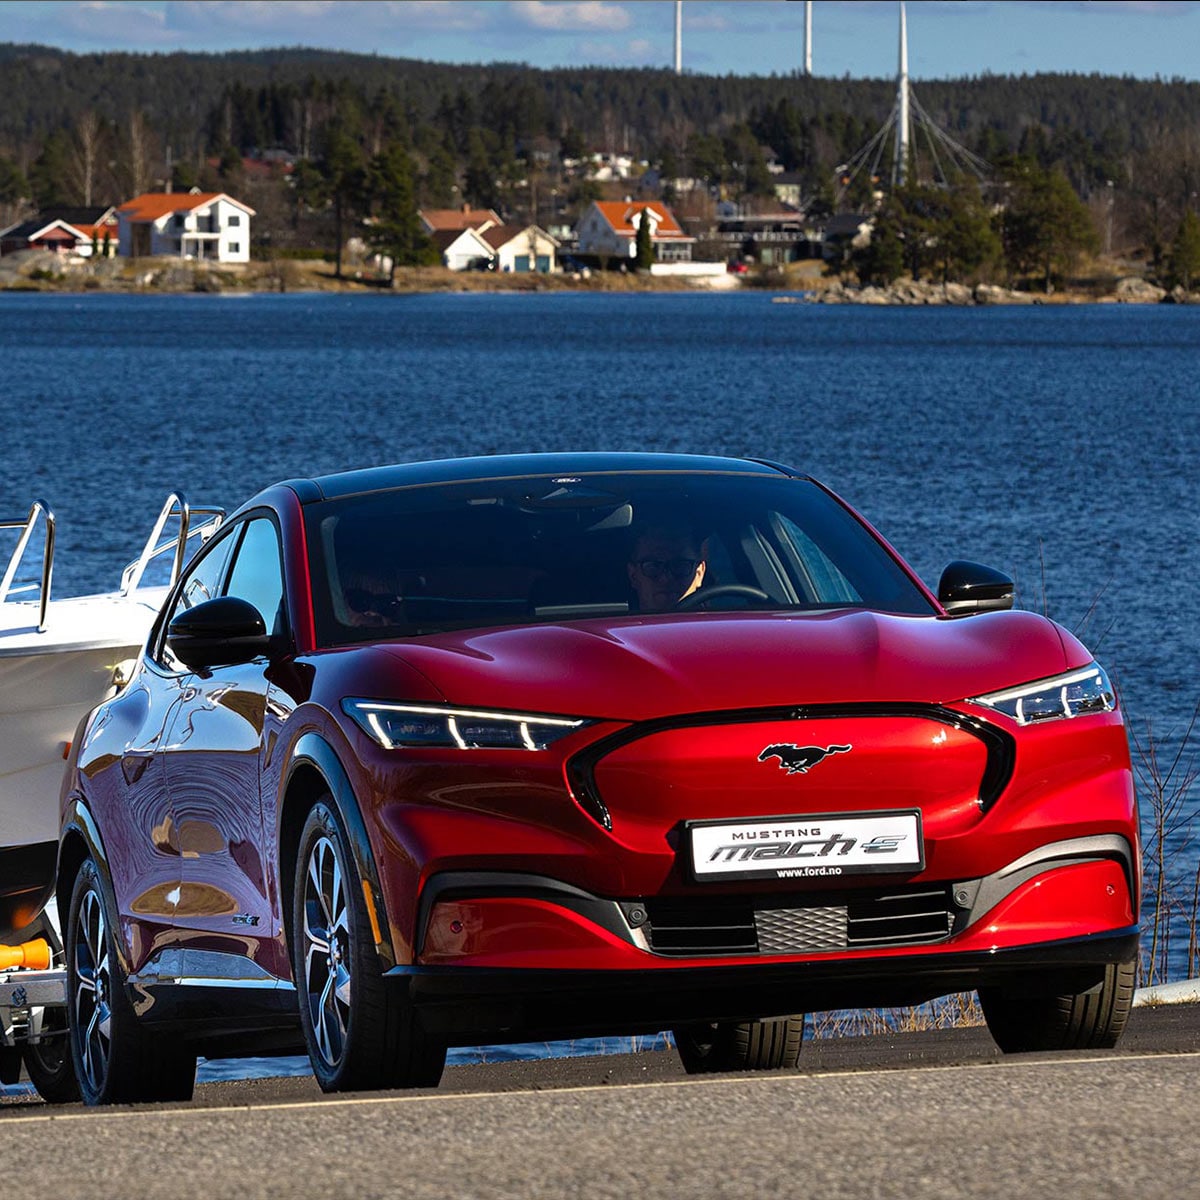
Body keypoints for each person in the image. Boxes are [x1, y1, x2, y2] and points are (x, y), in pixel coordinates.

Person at [627, 525, 706, 612]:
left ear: (699, 573)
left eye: (679, 566)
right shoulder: (615, 624)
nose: (666, 579)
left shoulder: (720, 623)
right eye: (653, 566)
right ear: (633, 576)